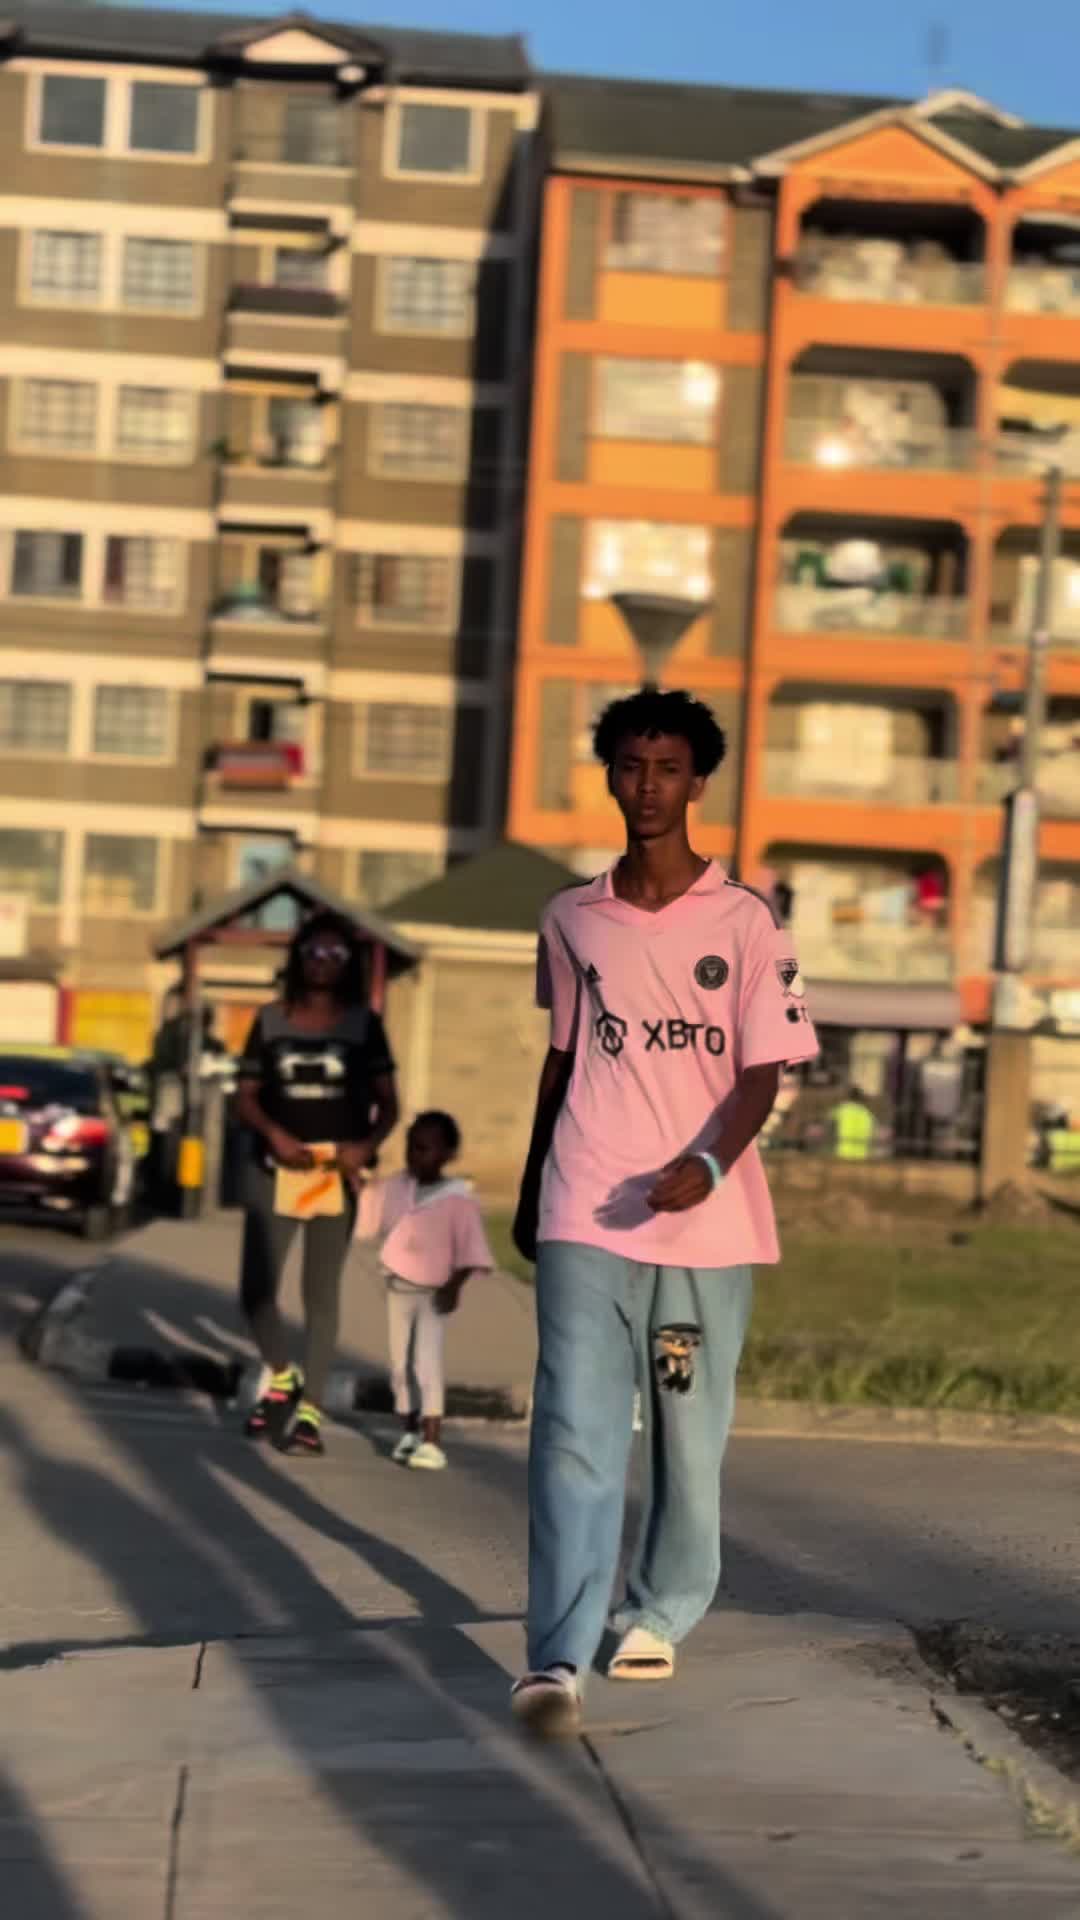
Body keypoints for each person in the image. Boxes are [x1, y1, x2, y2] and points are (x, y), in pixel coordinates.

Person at [510, 687, 819, 1735]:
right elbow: (562, 1059)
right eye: (632, 766)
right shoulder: (570, 918)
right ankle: (556, 1655)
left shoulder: (747, 922)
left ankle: (661, 1608)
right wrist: (531, 1187)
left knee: (686, 1428)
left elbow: (763, 1073)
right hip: (584, 1205)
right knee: (572, 1427)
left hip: (703, 1225)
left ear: (698, 782)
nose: (648, 786)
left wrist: (710, 1162)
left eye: (669, 769)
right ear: (610, 774)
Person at [234, 910, 399, 1455]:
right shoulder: (269, 1020)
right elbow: (245, 1096)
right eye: (313, 952)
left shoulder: (364, 1025)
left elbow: (389, 1105)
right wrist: (274, 1134)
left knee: (319, 1294)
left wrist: (364, 1147)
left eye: (335, 954)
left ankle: (310, 1412)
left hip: (334, 1175)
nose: (322, 962)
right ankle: (283, 1377)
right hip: (274, 1170)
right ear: (297, 958)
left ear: (349, 964)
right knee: (256, 1290)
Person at [357, 1110, 494, 1472]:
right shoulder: (397, 1187)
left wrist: (454, 1286)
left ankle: (432, 1440)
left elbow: (471, 1249)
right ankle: (409, 1430)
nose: (415, 1156)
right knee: (399, 1364)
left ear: (448, 1154)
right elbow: (370, 1214)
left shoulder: (458, 1200)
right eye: (411, 1147)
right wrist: (360, 1182)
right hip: (397, 1288)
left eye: (425, 1149)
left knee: (426, 1363)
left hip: (433, 1292)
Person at [828, 1087, 876, 1162]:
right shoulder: (867, 1113)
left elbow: (829, 1120)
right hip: (862, 1154)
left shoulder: (842, 1109)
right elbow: (873, 1132)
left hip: (844, 1152)